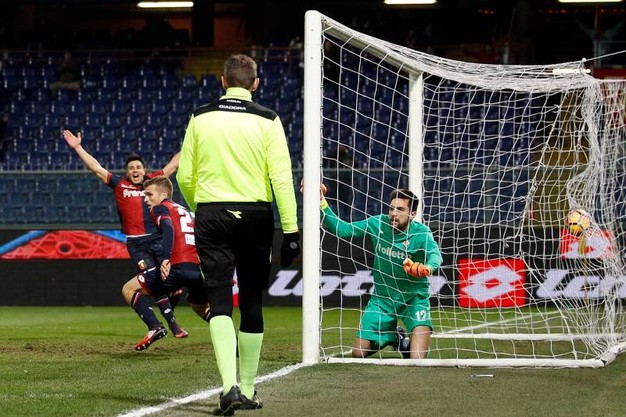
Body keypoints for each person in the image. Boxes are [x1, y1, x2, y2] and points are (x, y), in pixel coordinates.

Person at [176, 53, 300, 415]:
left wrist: (201, 205)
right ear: (255, 84)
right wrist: (290, 231)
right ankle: (247, 390)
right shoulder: (268, 119)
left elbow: (184, 174)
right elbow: (281, 177)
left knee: (218, 300)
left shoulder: (200, 116)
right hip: (255, 215)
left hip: (212, 212)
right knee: (251, 302)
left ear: (222, 81)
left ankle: (227, 387)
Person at [61, 129, 188, 347]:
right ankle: (167, 324)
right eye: (131, 168)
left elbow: (174, 164)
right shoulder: (120, 185)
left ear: (144, 170)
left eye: (138, 167)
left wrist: (191, 142)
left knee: (168, 283)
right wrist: (77, 148)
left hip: (158, 240)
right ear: (127, 172)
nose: (135, 170)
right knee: (154, 278)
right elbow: (96, 168)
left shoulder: (154, 182)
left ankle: (163, 324)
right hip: (137, 244)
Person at [319, 186, 442, 359]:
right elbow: (343, 230)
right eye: (391, 208)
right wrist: (321, 203)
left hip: (414, 299)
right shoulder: (377, 223)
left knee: (417, 359)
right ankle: (394, 337)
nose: (394, 213)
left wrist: (427, 268)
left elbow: (435, 256)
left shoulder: (421, 233)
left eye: (400, 209)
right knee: (358, 353)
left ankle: (403, 337)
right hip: (382, 299)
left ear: (412, 214)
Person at [120, 175, 211, 350]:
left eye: (149, 195)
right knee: (200, 308)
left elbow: (168, 227)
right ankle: (231, 339)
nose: (146, 199)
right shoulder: (185, 211)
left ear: (164, 193)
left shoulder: (162, 208)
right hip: (195, 270)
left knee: (128, 289)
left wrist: (167, 258)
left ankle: (155, 327)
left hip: (176, 268)